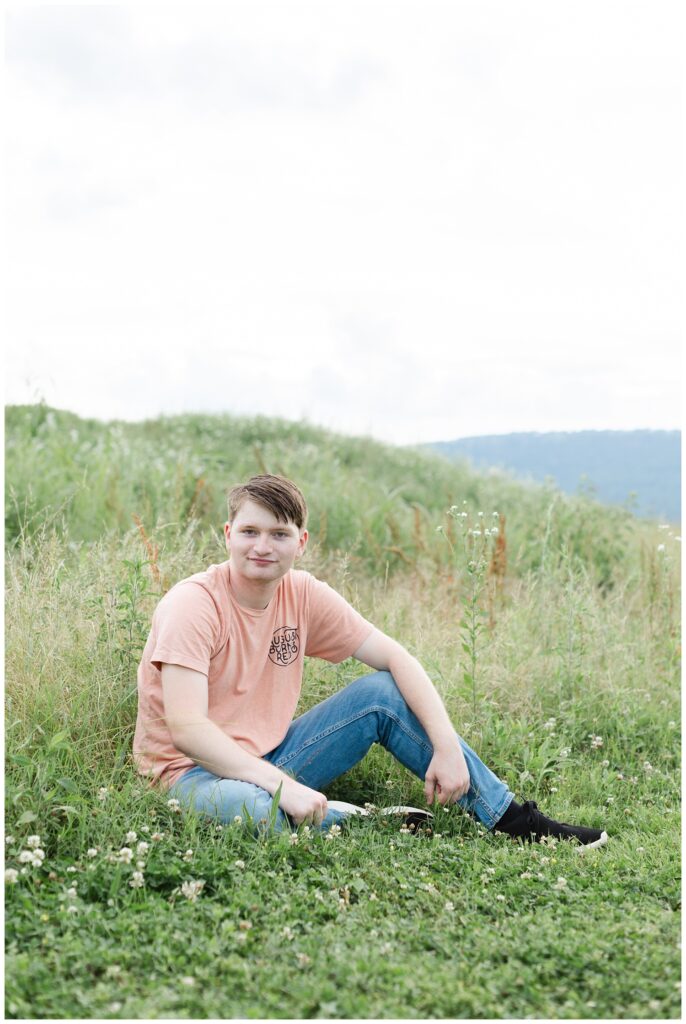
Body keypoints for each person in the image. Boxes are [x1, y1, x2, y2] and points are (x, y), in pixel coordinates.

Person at [133, 474, 607, 847]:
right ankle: (353, 818)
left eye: (279, 534)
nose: (262, 546)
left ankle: (511, 819)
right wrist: (281, 789)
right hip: (190, 774)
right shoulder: (193, 604)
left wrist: (445, 747)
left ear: (301, 542)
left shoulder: (303, 594)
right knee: (256, 811)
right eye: (249, 531)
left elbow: (397, 658)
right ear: (227, 535)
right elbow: (188, 730)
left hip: (271, 757)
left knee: (381, 693)